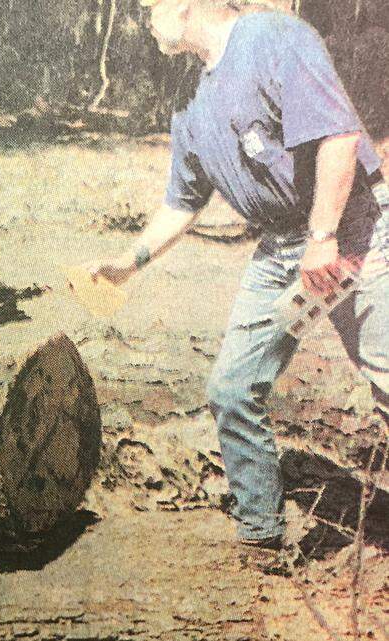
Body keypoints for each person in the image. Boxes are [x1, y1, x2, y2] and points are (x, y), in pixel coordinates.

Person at [84, 0, 388, 564]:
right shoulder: (191, 100)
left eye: (149, 6)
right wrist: (131, 261)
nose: (145, 18)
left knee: (385, 368)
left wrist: (322, 238)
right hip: (282, 252)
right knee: (232, 387)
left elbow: (341, 139)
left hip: (351, 231)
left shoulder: (274, 37)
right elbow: (184, 202)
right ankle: (261, 535)